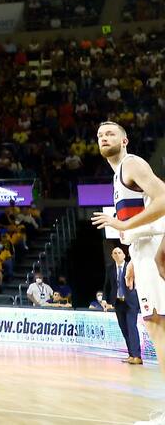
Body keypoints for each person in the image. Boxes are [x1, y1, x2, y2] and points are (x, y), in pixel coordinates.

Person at [92, 120, 165, 380]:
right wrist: (133, 257)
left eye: (110, 133)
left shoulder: (131, 163)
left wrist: (122, 224)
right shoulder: (117, 175)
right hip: (143, 249)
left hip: (155, 246)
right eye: (100, 135)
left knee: (158, 325)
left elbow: (164, 199)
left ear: (124, 140)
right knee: (156, 325)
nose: (104, 137)